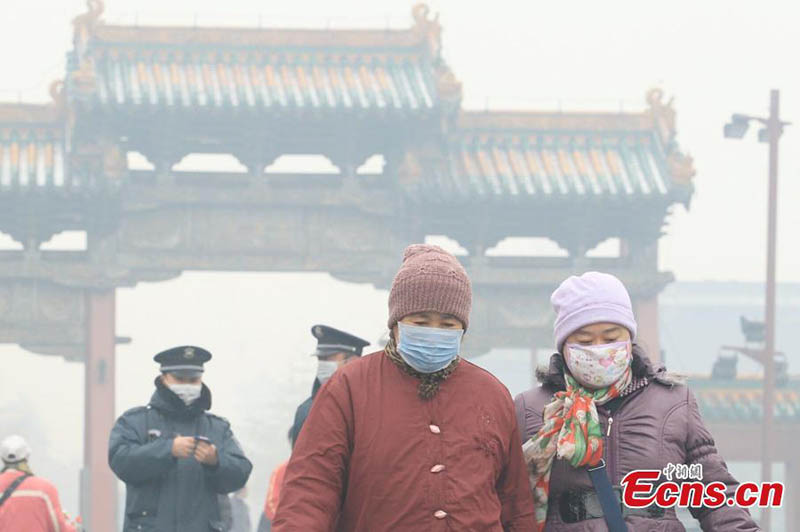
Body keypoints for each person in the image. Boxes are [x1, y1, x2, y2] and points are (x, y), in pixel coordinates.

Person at [273, 244, 536, 531]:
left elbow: (515, 503)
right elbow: (312, 489)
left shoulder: (491, 394)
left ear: (463, 330)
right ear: (396, 324)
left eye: (447, 324)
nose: (434, 332)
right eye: (421, 321)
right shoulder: (349, 388)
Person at [515, 272, 760, 531]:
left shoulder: (674, 402)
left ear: (629, 339)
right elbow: (502, 501)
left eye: (611, 338)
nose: (599, 348)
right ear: (564, 345)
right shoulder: (530, 409)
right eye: (585, 341)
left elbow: (716, 496)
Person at [109, 345, 253, 532]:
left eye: (193, 380)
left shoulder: (217, 428)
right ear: (163, 378)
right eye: (179, 378)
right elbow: (120, 460)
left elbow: (241, 472)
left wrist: (216, 461)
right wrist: (167, 450)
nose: (187, 385)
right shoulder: (135, 422)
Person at [288, 324, 370, 446]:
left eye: (328, 358)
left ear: (353, 362)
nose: (323, 364)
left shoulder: (374, 406)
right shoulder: (306, 411)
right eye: (320, 359)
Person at [0, 434, 76, 532]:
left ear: (2, 458)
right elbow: (58, 528)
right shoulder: (45, 489)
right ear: (27, 457)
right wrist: (72, 527)